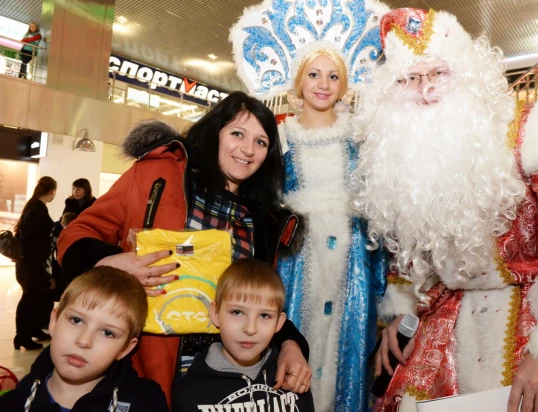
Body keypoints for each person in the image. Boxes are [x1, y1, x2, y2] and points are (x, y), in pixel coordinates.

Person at [353, 8, 538, 412]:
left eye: (437, 73)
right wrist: (401, 315)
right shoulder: (401, 162)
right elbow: (407, 258)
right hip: (444, 334)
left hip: (530, 332)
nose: (426, 90)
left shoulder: (528, 137)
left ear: (465, 74)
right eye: (409, 79)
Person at [57, 91, 311, 406]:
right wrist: (108, 262)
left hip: (220, 384)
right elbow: (76, 233)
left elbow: (259, 299)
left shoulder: (262, 219)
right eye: (237, 133)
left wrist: (290, 344)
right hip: (141, 364)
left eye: (261, 142)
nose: (248, 149)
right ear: (215, 132)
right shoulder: (158, 174)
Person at [230, 1, 390, 409]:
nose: (323, 83)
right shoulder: (279, 138)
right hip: (298, 256)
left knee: (349, 346)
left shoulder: (362, 137)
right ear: (298, 80)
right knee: (293, 342)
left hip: (354, 258)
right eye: (314, 74)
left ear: (345, 83)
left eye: (333, 75)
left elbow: (381, 203)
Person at [0, 266, 169, 411]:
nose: (84, 341)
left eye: (107, 332)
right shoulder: (10, 405)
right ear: (54, 321)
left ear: (125, 348)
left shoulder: (147, 403)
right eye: (77, 320)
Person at [173, 259, 314, 411]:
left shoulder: (293, 379)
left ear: (279, 323)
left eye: (265, 315)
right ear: (215, 314)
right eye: (237, 312)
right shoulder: (189, 392)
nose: (250, 329)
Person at [13, 176, 57, 350]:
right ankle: (22, 337)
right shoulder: (38, 210)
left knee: (35, 298)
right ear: (52, 191)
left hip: (29, 262)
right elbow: (31, 240)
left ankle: (33, 330)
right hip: (32, 264)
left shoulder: (34, 207)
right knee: (29, 299)